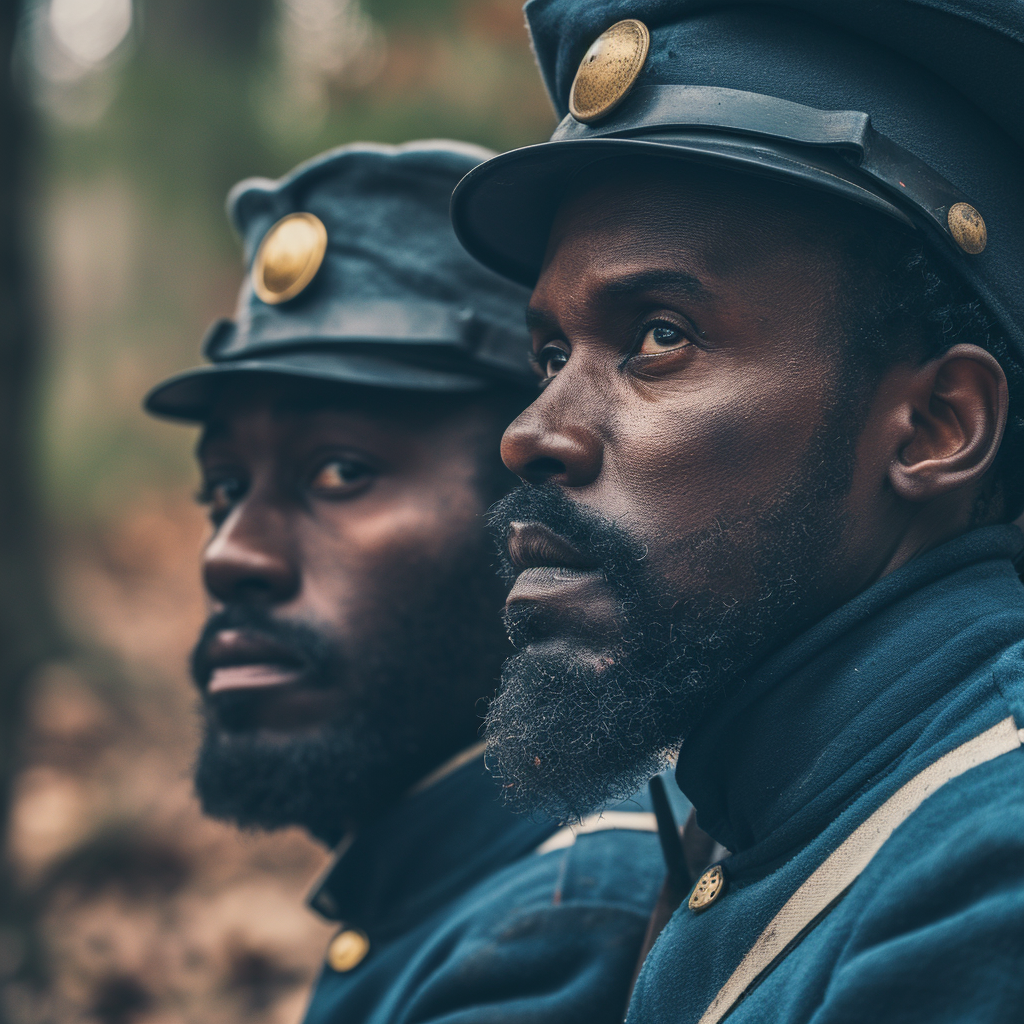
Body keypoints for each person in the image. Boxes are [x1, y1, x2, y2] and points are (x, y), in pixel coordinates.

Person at [449, 3, 1024, 1022]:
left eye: (658, 336)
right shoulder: (763, 816)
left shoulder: (985, 863)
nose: (532, 433)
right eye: (549, 355)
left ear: (937, 424)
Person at [144, 141, 675, 1024]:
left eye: (339, 472)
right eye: (225, 490)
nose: (229, 553)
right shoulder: (475, 891)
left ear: (535, 508)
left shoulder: (559, 927)